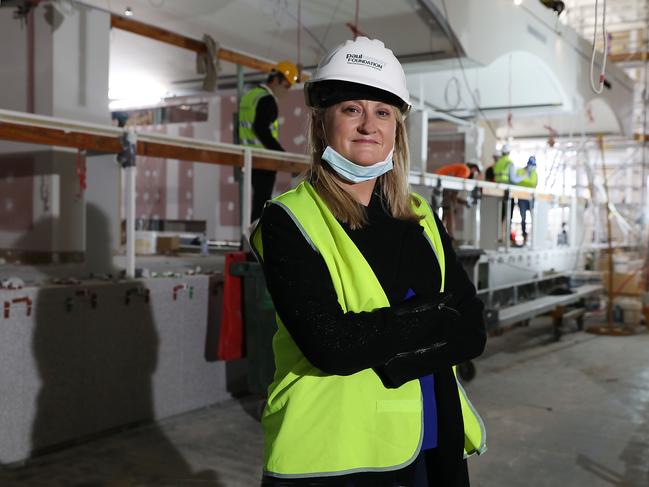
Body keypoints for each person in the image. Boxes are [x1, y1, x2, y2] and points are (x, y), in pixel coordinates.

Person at [251, 37, 486, 486]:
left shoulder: (421, 218)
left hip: (435, 439)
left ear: (397, 129)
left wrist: (382, 341)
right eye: (351, 109)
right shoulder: (291, 220)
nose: (367, 126)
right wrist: (435, 315)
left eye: (382, 112)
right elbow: (331, 345)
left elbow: (472, 331)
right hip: (337, 454)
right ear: (322, 124)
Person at [238, 60, 299, 221]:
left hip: (248, 157)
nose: (287, 91)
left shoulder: (249, 96)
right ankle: (256, 241)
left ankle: (250, 240)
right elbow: (261, 129)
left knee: (255, 202)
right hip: (264, 159)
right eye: (286, 86)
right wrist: (281, 155)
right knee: (261, 203)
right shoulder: (268, 100)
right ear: (277, 79)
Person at [434, 162, 482, 240]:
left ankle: (441, 234)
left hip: (442, 182)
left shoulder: (462, 168)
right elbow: (454, 190)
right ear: (474, 168)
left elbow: (453, 195)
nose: (475, 174)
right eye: (476, 171)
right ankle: (450, 237)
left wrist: (462, 202)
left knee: (447, 211)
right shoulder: (466, 170)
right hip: (442, 183)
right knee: (450, 212)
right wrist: (456, 205)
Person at [514, 156, 538, 244]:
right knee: (523, 218)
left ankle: (533, 237)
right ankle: (524, 235)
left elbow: (534, 184)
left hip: (530, 198)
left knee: (533, 218)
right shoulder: (520, 171)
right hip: (522, 198)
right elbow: (517, 182)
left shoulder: (534, 174)